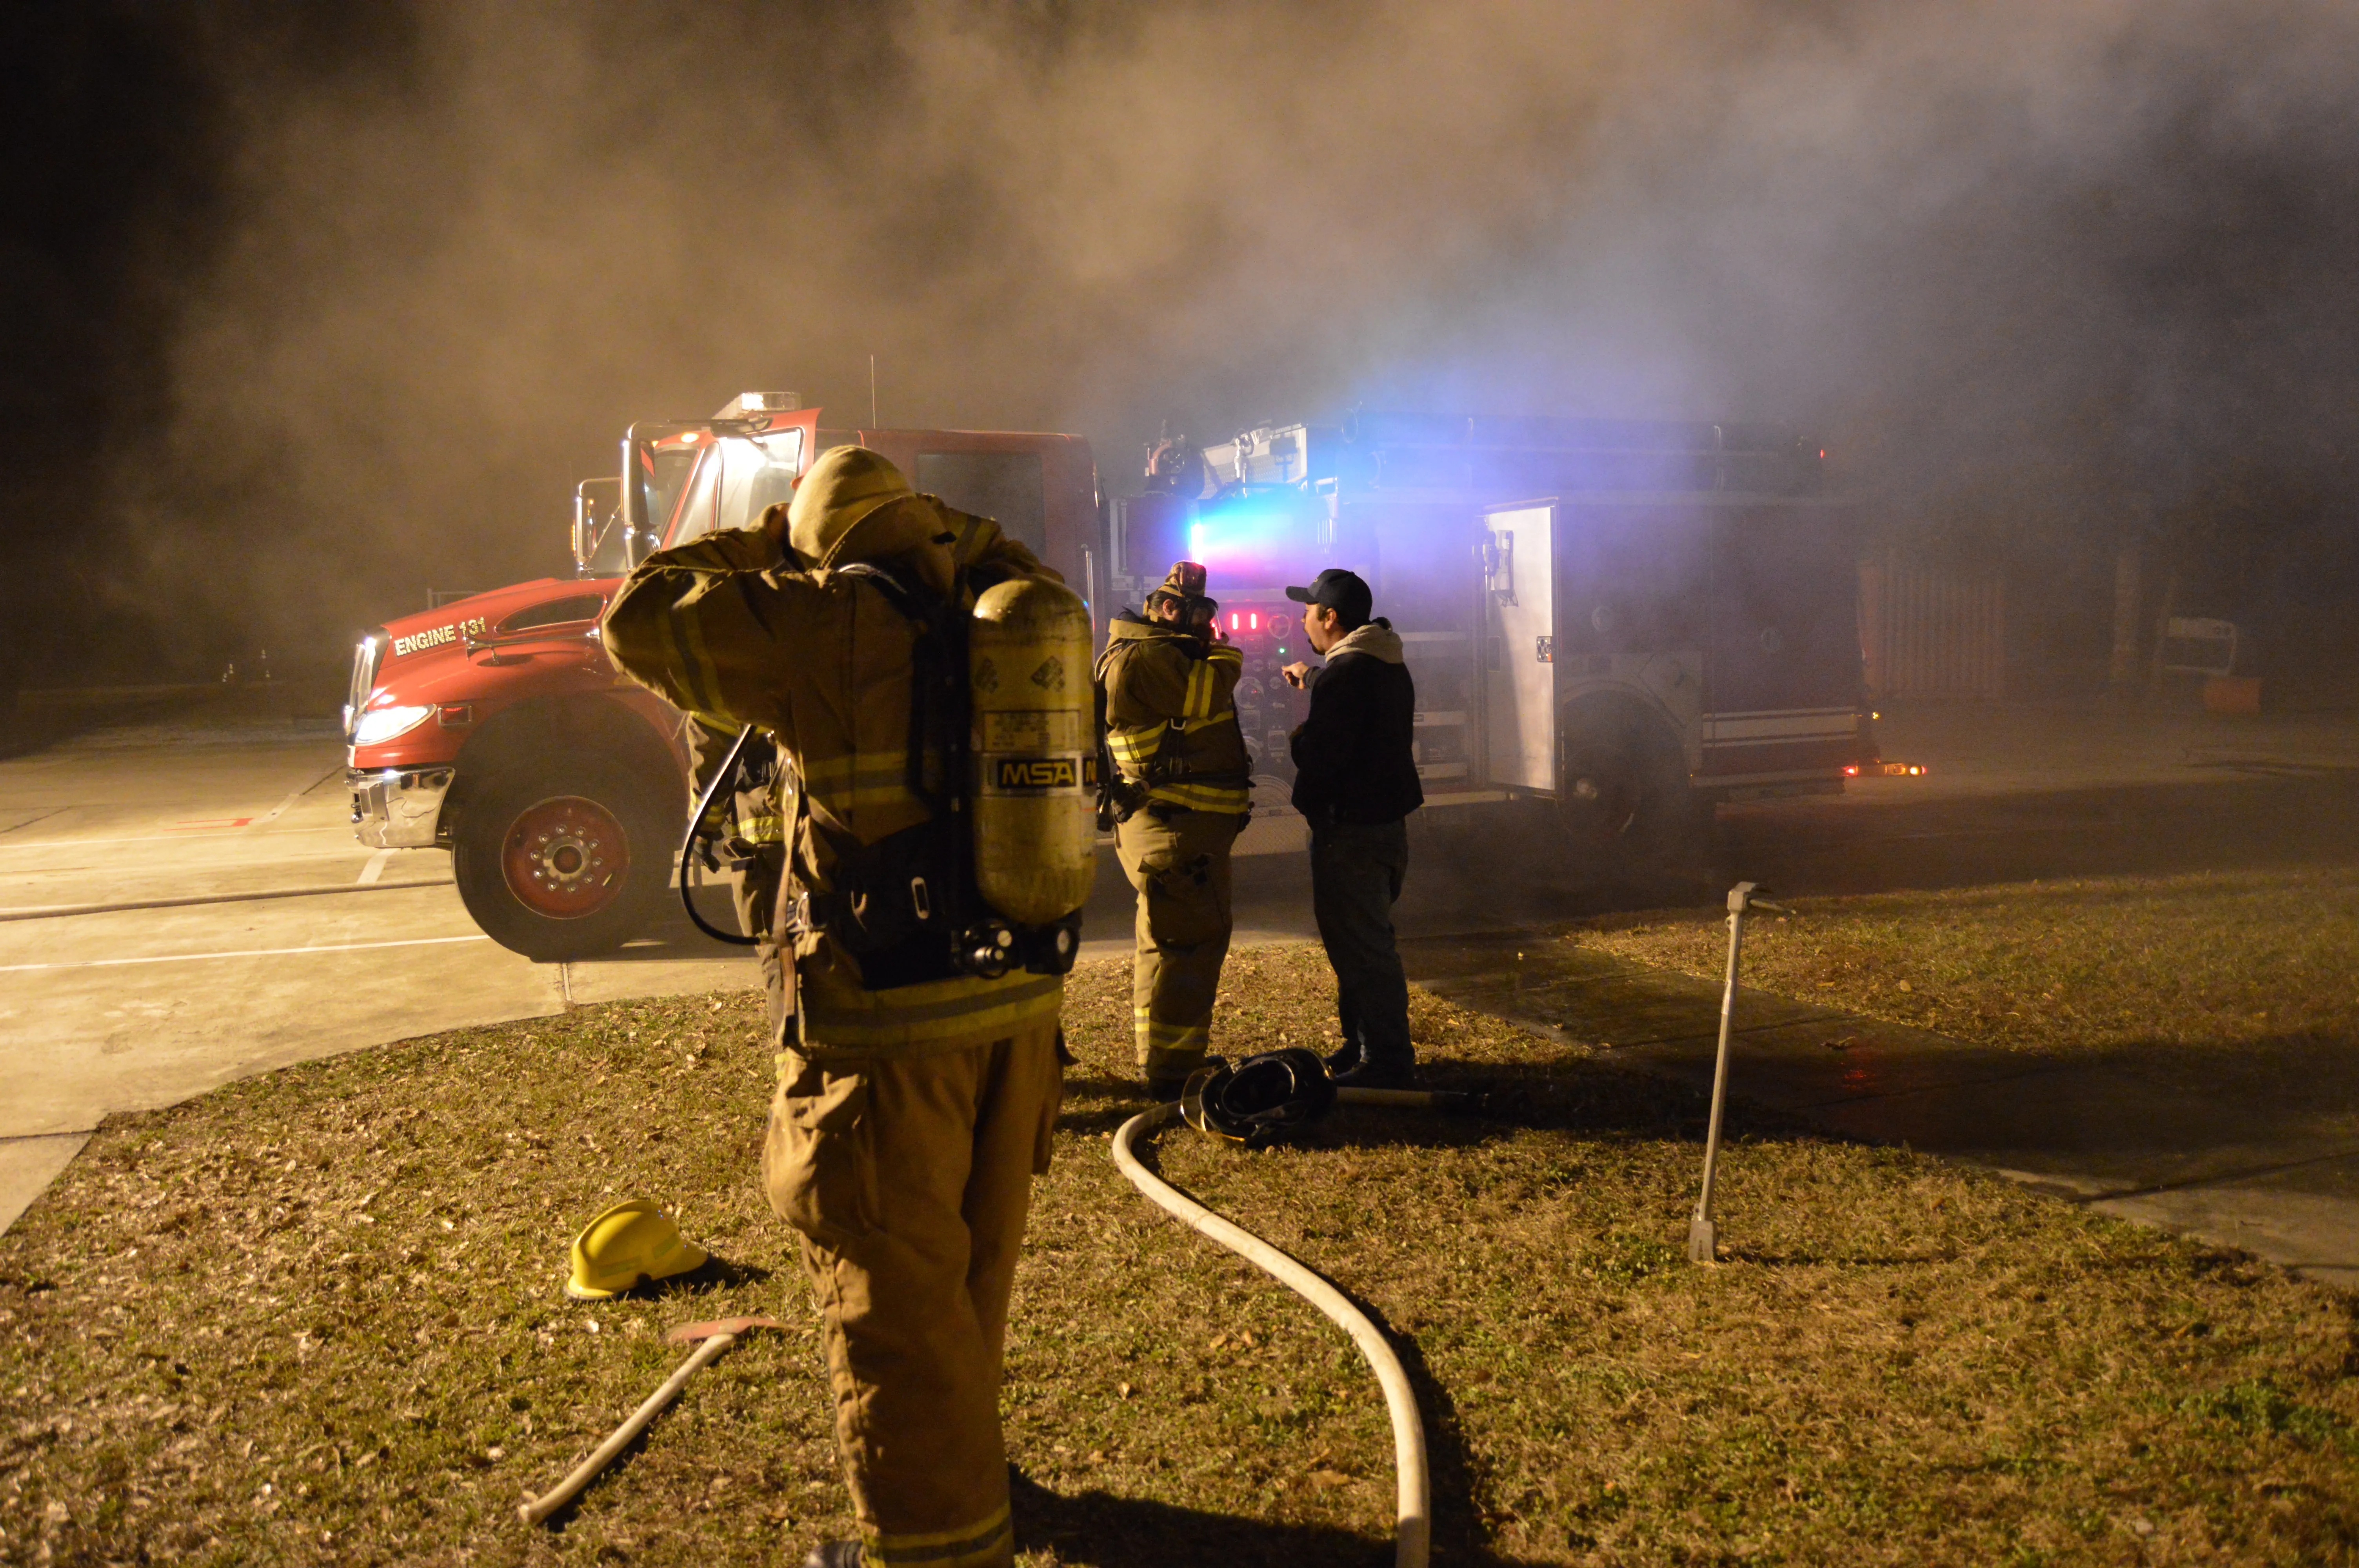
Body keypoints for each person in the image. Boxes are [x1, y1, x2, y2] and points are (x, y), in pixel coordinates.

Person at [603, 445, 1065, 1568]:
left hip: (887, 1037)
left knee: (892, 1307)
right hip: (1013, 1016)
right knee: (962, 1276)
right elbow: (993, 545)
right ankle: (969, 1477)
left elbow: (636, 616)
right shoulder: (1008, 602)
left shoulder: (824, 622)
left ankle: (932, 1545)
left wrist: (769, 540)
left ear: (822, 544)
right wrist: (928, 527)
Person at [1095, 561, 1252, 1099]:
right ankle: (1175, 1072)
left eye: (1203, 614)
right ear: (1160, 610)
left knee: (1166, 947)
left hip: (1175, 830)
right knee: (1188, 948)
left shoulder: (1154, 655)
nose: (1199, 624)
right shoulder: (1149, 658)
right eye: (1184, 611)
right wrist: (1227, 652)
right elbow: (1202, 695)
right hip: (1174, 830)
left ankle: (1162, 1058)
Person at [1281, 568, 1425, 1087]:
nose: (1303, 620)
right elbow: (1360, 713)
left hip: (1351, 833)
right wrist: (1318, 680)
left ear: (1330, 617)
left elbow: (1322, 753)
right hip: (1385, 829)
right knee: (1360, 942)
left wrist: (1299, 732)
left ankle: (1387, 1061)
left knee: (1363, 949)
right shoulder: (1383, 663)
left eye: (1308, 611)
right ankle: (1360, 1046)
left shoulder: (1345, 677)